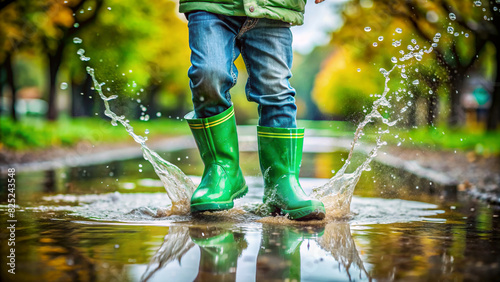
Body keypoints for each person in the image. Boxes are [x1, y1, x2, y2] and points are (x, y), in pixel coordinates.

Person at [181, 0, 326, 220]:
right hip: (211, 4)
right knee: (207, 75)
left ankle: (282, 183)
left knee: (276, 89)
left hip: (274, 5)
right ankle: (222, 170)